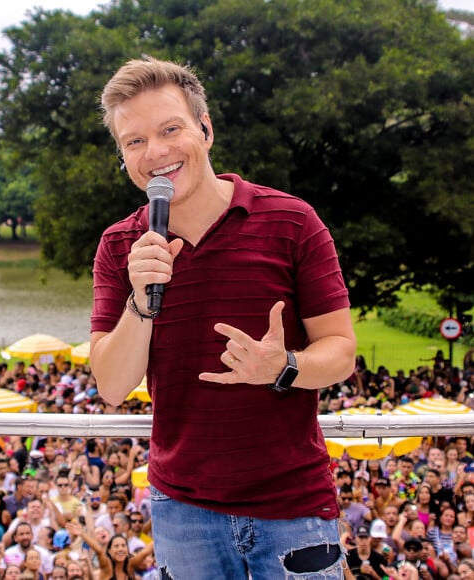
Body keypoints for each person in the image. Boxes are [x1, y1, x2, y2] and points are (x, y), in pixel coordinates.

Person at [91, 56, 357, 578]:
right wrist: (139, 298)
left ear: (205, 130)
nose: (156, 153)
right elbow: (112, 386)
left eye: (171, 129)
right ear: (123, 156)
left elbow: (341, 353)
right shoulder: (120, 244)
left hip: (293, 506)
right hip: (181, 510)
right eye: (135, 141)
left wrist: (281, 367)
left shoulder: (293, 221)